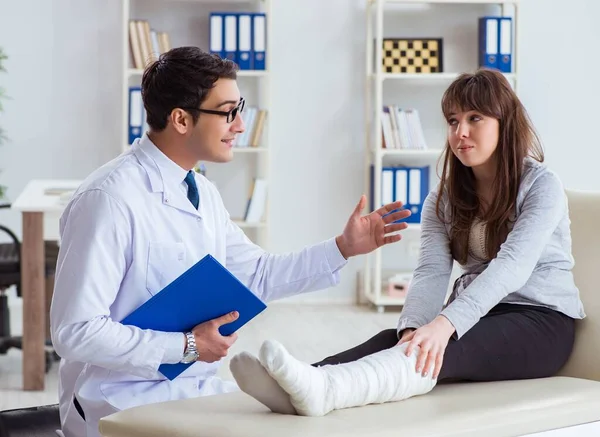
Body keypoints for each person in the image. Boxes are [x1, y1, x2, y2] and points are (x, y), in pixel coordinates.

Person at [49, 46, 412, 437]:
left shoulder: (202, 192)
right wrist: (186, 346)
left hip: (193, 389)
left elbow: (256, 274)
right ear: (181, 120)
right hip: (118, 401)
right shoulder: (108, 199)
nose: (240, 125)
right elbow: (75, 331)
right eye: (228, 112)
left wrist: (343, 247)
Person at [230, 68, 587, 417]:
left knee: (437, 349)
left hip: (541, 321)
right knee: (399, 338)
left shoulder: (542, 186)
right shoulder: (444, 199)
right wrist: (414, 328)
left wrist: (445, 324)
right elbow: (431, 270)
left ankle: (327, 390)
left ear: (504, 122)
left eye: (475, 118)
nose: (460, 132)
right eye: (452, 121)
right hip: (481, 316)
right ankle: (300, 379)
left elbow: (512, 266)